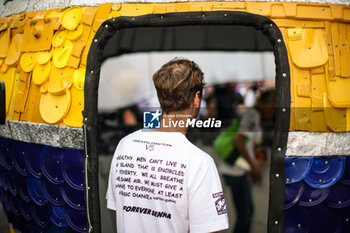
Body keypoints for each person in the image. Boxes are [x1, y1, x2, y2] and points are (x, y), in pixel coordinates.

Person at [106, 58, 229, 233]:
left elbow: (120, 211)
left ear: (160, 96)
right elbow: (209, 229)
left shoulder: (124, 146)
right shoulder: (200, 163)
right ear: (196, 99)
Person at [219, 89, 275, 233]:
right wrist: (254, 167)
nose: (275, 111)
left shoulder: (254, 115)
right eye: (274, 106)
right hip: (235, 171)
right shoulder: (253, 115)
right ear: (267, 104)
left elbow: (250, 144)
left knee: (247, 212)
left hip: (239, 170)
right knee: (245, 214)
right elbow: (239, 141)